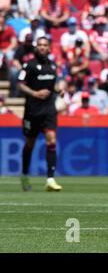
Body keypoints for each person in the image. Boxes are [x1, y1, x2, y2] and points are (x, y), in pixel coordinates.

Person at [17, 36, 62, 192]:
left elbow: (53, 85)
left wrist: (59, 89)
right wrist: (35, 93)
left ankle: (50, 179)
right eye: (40, 45)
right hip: (32, 111)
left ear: (49, 48)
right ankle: (24, 174)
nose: (42, 47)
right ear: (36, 48)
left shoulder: (53, 66)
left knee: (51, 140)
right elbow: (20, 85)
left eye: (45, 45)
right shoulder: (29, 66)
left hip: (49, 110)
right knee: (30, 144)